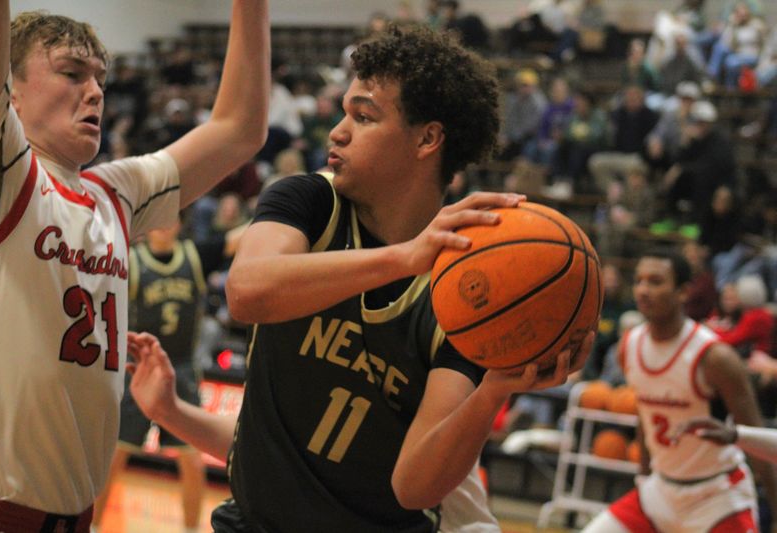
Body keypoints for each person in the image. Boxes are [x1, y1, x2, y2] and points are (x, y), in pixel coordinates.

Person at [127, 24, 593, 532]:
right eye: (344, 111)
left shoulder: (467, 288)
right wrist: (171, 411)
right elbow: (247, 292)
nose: (337, 131)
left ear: (428, 139)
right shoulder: (308, 202)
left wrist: (494, 389)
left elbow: (411, 487)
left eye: (364, 117)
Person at [0, 0, 269, 529]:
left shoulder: (116, 191)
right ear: (10, 91)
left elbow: (240, 128)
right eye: (71, 73)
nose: (95, 92)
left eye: (101, 80)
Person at [582, 249, 777, 532]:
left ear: (683, 292)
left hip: (717, 496)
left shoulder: (715, 357)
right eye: (639, 281)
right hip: (660, 490)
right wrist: (643, 479)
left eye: (656, 282)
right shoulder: (630, 346)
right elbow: (644, 417)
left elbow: (756, 438)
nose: (643, 290)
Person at [92, 219, 245, 532]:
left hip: (183, 370)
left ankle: (190, 529)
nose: (164, 224)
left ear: (179, 224)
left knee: (191, 460)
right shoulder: (129, 258)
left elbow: (237, 237)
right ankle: (92, 526)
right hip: (138, 368)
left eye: (172, 217)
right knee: (115, 456)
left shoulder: (196, 255)